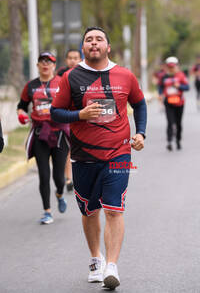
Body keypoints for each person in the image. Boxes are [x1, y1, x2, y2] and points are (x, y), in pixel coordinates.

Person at [51, 27, 147, 290]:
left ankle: (112, 266)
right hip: (83, 156)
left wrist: (140, 132)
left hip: (119, 153)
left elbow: (139, 103)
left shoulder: (124, 75)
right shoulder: (71, 77)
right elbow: (56, 112)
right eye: (89, 40)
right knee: (89, 210)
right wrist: (79, 116)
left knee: (114, 209)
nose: (94, 43)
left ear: (108, 46)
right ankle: (96, 259)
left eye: (99, 39)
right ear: (83, 48)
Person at [17, 52, 69, 224]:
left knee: (59, 177)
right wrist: (22, 115)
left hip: (59, 133)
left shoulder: (62, 83)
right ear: (38, 65)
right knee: (44, 175)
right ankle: (47, 211)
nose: (45, 64)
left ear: (54, 66)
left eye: (49, 62)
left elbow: (72, 104)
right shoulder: (30, 86)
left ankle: (60, 194)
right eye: (42, 62)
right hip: (40, 133)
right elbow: (21, 106)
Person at [57, 49, 82, 192]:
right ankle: (68, 178)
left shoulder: (85, 73)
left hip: (81, 116)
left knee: (79, 148)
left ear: (80, 59)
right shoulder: (61, 74)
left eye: (76, 58)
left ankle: (79, 176)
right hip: (65, 116)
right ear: (66, 60)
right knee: (68, 148)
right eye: (70, 58)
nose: (73, 60)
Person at [159, 56, 189, 151]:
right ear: (167, 67)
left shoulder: (181, 75)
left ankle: (178, 140)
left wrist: (179, 86)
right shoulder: (164, 76)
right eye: (169, 67)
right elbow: (160, 86)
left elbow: (187, 87)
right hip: (168, 103)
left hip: (179, 103)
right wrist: (160, 94)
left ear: (177, 66)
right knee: (170, 122)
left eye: (173, 67)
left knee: (178, 123)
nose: (171, 68)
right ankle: (169, 141)